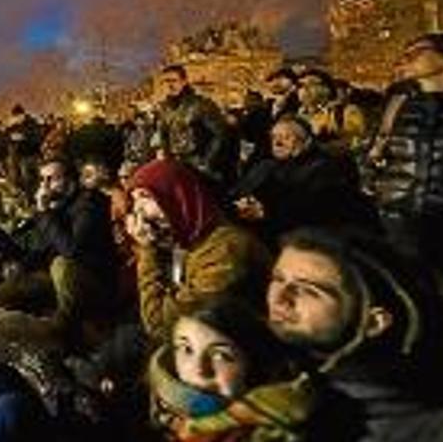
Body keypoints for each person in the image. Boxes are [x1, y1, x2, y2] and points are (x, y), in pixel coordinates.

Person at [267, 228, 443, 440]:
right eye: (278, 278)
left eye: (309, 290)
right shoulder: (271, 359)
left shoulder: (415, 422)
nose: (280, 298)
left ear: (374, 322)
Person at [126, 159, 271, 339]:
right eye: (134, 200)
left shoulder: (225, 250)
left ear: (178, 197)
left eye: (145, 197)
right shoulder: (184, 239)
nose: (137, 210)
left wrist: (146, 251)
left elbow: (160, 326)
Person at [0, 156, 119, 348]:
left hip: (94, 281)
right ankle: (48, 318)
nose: (45, 185)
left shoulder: (88, 205)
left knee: (61, 265)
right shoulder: (58, 203)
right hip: (58, 279)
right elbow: (41, 246)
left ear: (70, 181)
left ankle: (67, 330)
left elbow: (71, 251)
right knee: (5, 294)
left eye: (52, 179)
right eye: (42, 179)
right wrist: (20, 267)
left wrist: (45, 213)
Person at [147, 298, 312, 441]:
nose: (199, 370)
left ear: (255, 367)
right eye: (186, 349)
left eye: (221, 356)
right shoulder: (149, 415)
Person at [367, 33, 443, 279]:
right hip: (399, 217)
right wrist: (376, 186)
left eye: (418, 50)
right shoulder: (397, 102)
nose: (407, 57)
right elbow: (374, 148)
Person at [230, 116, 379, 247]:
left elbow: (314, 209)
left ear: (307, 142)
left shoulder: (328, 168)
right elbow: (237, 192)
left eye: (286, 137)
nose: (277, 143)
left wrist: (265, 213)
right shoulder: (265, 166)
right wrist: (242, 203)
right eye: (274, 137)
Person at [155, 65, 233, 188]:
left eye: (174, 81)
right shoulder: (164, 108)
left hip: (198, 164)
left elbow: (220, 134)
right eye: (166, 81)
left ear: (184, 81)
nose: (170, 85)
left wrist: (207, 161)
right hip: (175, 165)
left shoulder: (201, 104)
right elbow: (164, 134)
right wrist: (167, 157)